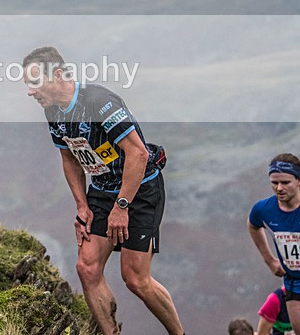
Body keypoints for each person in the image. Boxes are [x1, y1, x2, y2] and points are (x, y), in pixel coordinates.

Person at [22, 46, 184, 335]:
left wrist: (121, 207)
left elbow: (138, 154)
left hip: (139, 190)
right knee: (87, 267)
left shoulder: (99, 103)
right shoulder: (52, 111)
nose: (30, 92)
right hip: (102, 190)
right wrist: (82, 206)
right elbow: (69, 157)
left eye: (35, 83)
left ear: (57, 75)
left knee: (135, 279)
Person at [249, 153, 300, 334]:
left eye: (285, 182)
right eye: (274, 182)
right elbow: (253, 225)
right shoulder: (263, 209)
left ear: (299, 181)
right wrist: (270, 260)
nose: (279, 188)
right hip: (295, 282)